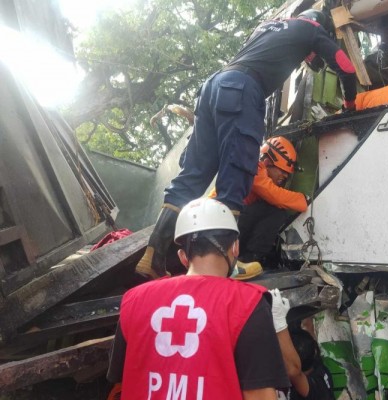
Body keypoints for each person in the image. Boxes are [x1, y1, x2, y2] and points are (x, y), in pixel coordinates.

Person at [135, 8, 357, 280]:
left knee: (192, 175)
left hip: (212, 87)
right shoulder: (310, 30)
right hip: (242, 90)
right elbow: (345, 66)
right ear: (317, 23)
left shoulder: (267, 27)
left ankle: (153, 256)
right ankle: (226, 264)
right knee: (236, 176)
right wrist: (350, 105)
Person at [107, 198, 290, 399]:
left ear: (182, 256)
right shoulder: (248, 303)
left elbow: (122, 376)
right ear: (235, 247)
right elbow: (260, 395)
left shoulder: (134, 300)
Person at [210, 136, 308, 280]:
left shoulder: (256, 173)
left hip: (222, 229)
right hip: (215, 230)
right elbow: (275, 195)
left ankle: (244, 261)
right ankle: (245, 262)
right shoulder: (253, 168)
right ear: (268, 162)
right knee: (275, 210)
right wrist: (303, 199)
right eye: (282, 170)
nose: (285, 176)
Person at [270, 289, 336, 400]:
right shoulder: (318, 367)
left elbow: (294, 372)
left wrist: (279, 321)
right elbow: (309, 328)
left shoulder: (314, 390)